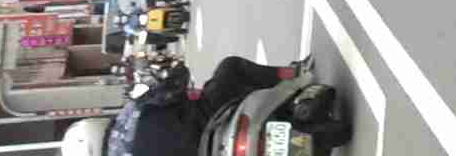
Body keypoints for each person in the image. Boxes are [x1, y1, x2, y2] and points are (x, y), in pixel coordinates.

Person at [63, 56, 311, 156]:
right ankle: (294, 73)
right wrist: (177, 72)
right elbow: (174, 86)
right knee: (231, 67)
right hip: (213, 119)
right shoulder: (133, 112)